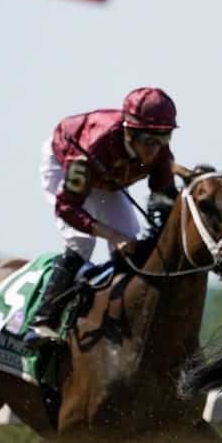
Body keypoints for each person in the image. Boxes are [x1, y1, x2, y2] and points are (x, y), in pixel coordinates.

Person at [21, 87, 179, 348]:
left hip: (106, 180)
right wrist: (112, 236)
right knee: (82, 242)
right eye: (149, 142)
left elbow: (164, 197)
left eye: (165, 138)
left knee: (132, 238)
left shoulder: (160, 150)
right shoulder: (92, 148)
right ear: (129, 131)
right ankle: (42, 321)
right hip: (65, 166)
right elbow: (67, 208)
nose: (156, 150)